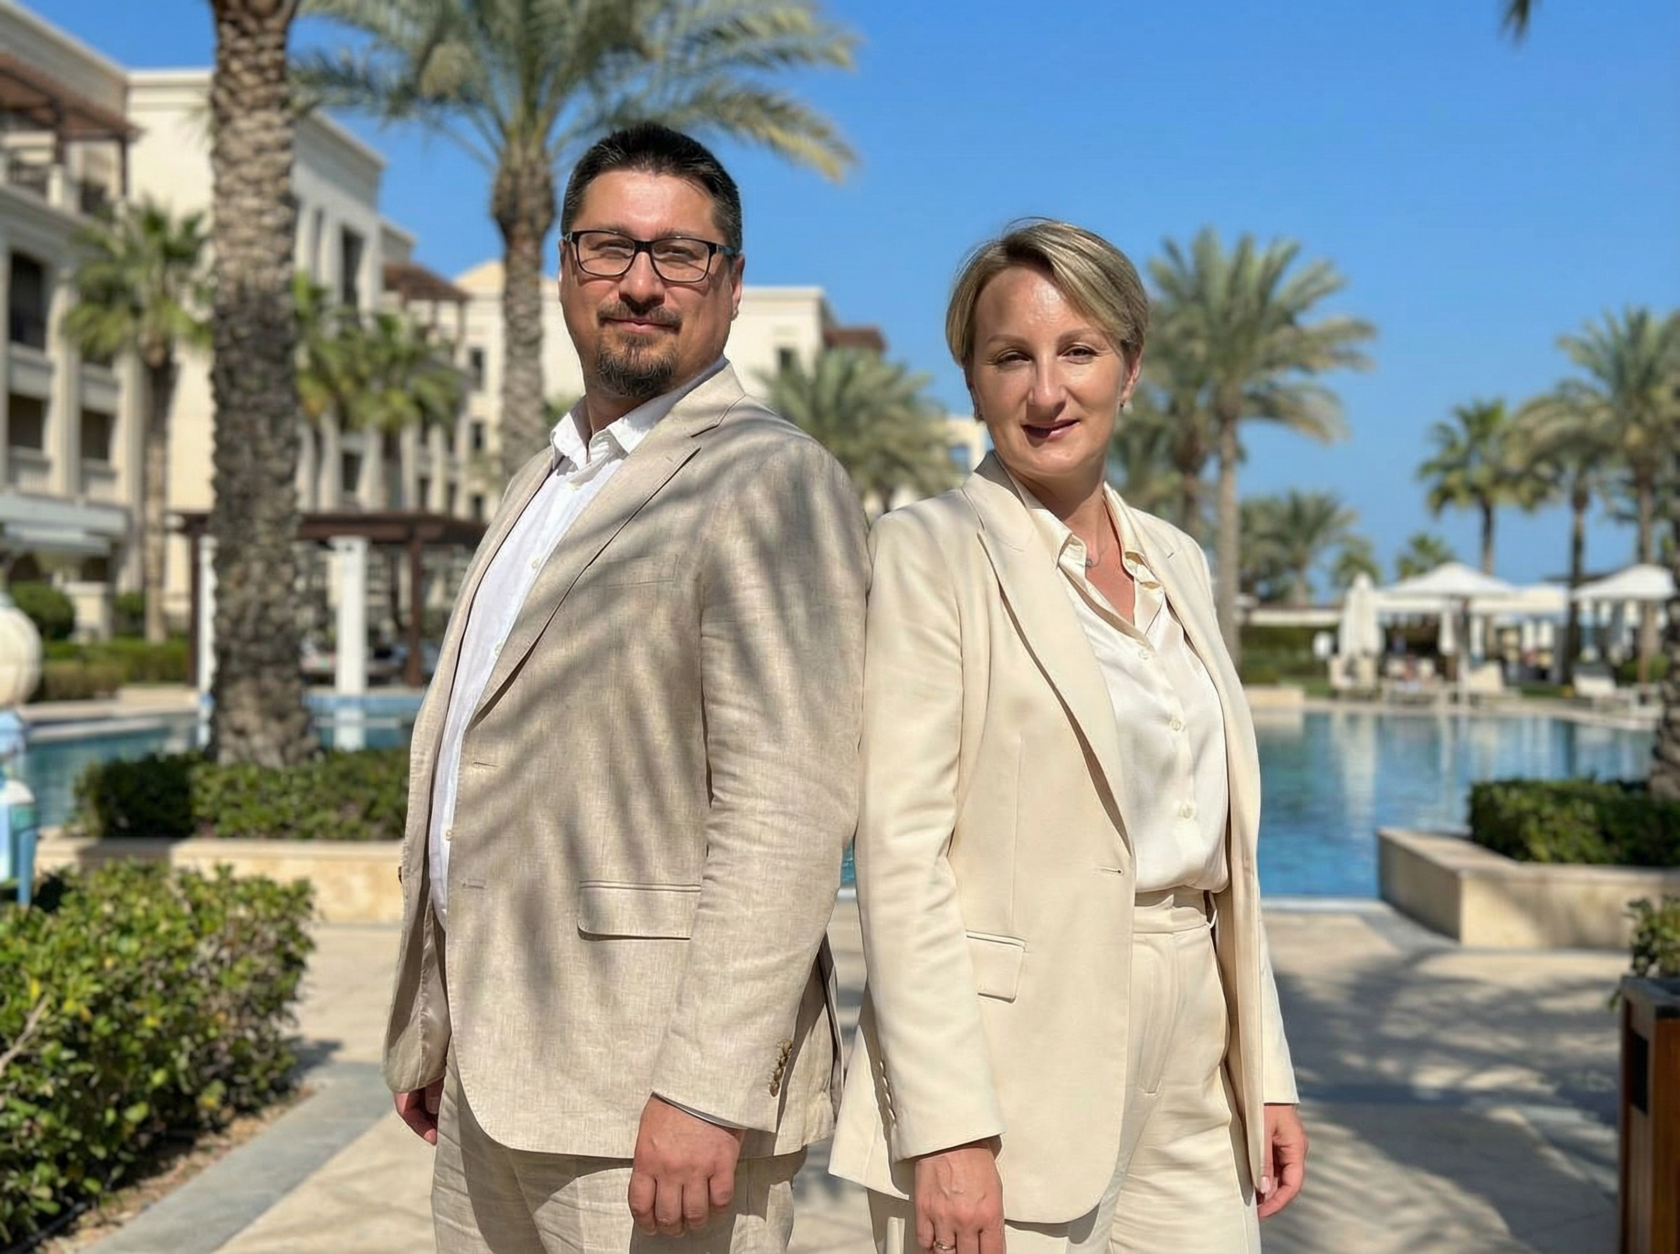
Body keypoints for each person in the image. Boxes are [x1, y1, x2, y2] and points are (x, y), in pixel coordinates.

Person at [382, 122, 870, 1254]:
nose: (640, 283)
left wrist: (707, 1092)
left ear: (731, 286)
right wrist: (435, 1020)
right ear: (565, 269)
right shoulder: (542, 482)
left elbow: (788, 813)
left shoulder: (773, 479)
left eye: (680, 254)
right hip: (489, 1086)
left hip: (651, 1109)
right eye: (610, 248)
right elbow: (474, 761)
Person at [829, 220, 1305, 1254]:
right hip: (1010, 1066)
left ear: (1129, 369)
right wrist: (947, 1130)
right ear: (973, 382)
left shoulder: (1176, 559)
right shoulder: (926, 551)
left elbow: (1226, 852)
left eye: (1078, 351)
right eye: (1012, 357)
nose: (1047, 391)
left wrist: (1265, 1070)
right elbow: (900, 859)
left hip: (1197, 1051)